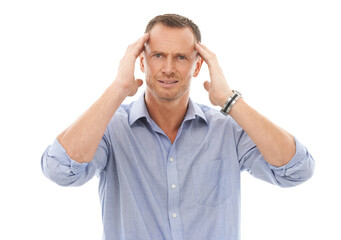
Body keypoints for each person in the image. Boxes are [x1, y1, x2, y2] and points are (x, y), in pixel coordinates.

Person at [41, 14, 315, 240]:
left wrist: (229, 101)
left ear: (197, 67)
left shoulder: (226, 130)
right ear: (141, 61)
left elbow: (297, 170)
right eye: (158, 55)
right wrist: (118, 89)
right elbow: (60, 170)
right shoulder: (111, 130)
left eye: (181, 57)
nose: (168, 68)